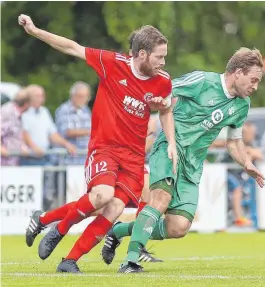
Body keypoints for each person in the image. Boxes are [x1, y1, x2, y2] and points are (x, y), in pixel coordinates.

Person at [19, 14, 176, 273]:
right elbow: (72, 47)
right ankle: (58, 229)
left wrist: (170, 140)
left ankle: (68, 260)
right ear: (142, 54)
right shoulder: (112, 63)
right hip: (105, 148)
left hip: (135, 157)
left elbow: (166, 110)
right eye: (159, 56)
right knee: (102, 196)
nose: (163, 62)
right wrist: (35, 31)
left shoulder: (163, 81)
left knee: (113, 207)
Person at [103, 47, 265, 273]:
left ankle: (118, 231)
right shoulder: (202, 81)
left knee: (178, 227)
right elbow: (164, 89)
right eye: (253, 80)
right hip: (169, 149)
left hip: (192, 165)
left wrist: (246, 163)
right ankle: (130, 260)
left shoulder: (242, 105)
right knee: (160, 200)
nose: (255, 86)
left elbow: (233, 142)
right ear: (238, 72)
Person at [21, 84, 76, 166]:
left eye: (42, 95)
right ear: (29, 97)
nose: (41, 98)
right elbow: (24, 134)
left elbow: (53, 134)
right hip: (28, 159)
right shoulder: (23, 113)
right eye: (38, 95)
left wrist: (66, 144)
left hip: (44, 157)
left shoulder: (44, 111)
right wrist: (34, 148)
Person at [1, 88, 33, 166]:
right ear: (26, 104)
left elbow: (15, 135)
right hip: (3, 163)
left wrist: (23, 147)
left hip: (13, 161)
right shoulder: (8, 113)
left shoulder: (17, 115)